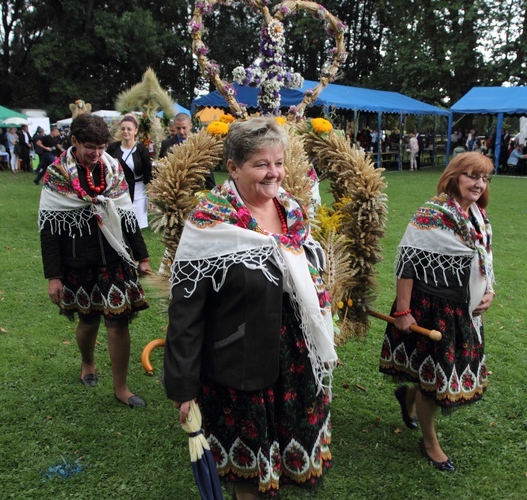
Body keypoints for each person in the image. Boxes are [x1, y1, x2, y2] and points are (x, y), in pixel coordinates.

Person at [163, 117, 337, 498]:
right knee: (250, 473)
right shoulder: (210, 221)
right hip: (239, 365)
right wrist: (183, 384)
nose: (273, 172)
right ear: (233, 167)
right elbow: (186, 310)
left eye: (278, 162)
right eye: (261, 164)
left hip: (295, 360)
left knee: (285, 455)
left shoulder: (292, 210)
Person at [380, 152, 495, 472]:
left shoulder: (479, 216)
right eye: (472, 175)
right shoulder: (433, 213)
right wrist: (403, 311)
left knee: (432, 374)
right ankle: (429, 442)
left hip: (465, 311)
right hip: (433, 307)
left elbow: (484, 257)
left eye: (484, 178)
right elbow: (407, 261)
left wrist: (490, 290)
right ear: (455, 176)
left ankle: (408, 398)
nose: (478, 183)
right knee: (436, 380)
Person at [38, 113, 152, 408]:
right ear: (74, 141)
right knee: (88, 322)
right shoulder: (56, 175)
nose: (97, 153)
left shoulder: (113, 170)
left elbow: (127, 216)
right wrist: (54, 276)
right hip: (78, 263)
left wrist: (142, 256)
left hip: (114, 259)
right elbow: (49, 229)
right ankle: (88, 363)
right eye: (90, 147)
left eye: (102, 146)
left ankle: (121, 388)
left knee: (118, 323)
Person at [107, 115, 153, 228]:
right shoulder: (113, 148)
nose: (125, 132)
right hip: (118, 191)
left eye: (129, 129)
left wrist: (151, 197)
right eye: (123, 129)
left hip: (138, 191)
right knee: (120, 225)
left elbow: (148, 175)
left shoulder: (142, 150)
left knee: (137, 225)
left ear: (135, 131)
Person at [160, 112, 215, 189]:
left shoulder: (201, 144)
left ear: (190, 126)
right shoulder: (166, 144)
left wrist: (212, 190)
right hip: (173, 190)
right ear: (175, 127)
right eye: (178, 128)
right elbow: (162, 168)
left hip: (195, 189)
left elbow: (207, 170)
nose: (181, 131)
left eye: (184, 128)